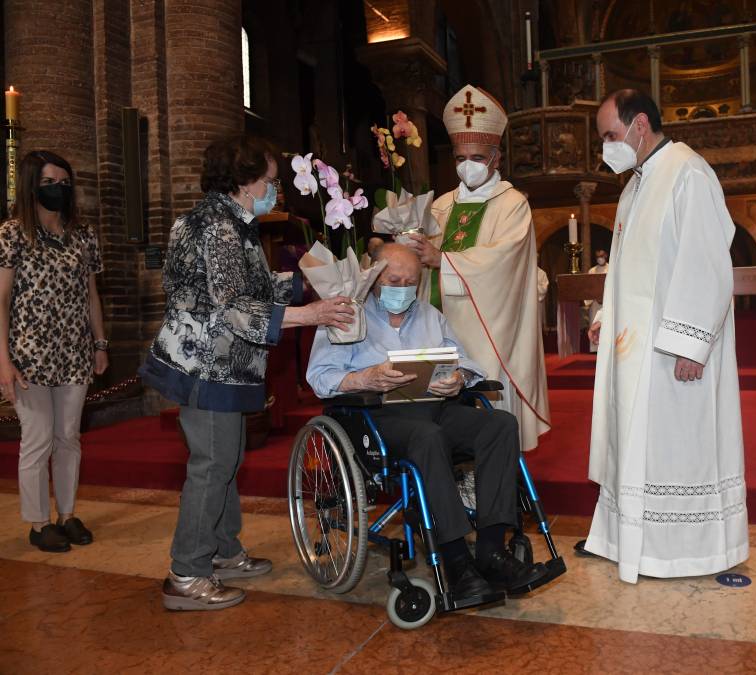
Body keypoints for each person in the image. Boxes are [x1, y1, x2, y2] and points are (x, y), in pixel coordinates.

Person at [140, 136, 355, 611]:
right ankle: (187, 573)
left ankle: (222, 550)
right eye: (271, 181)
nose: (275, 191)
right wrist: (311, 314)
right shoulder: (216, 227)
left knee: (228, 459)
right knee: (212, 465)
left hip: (225, 363)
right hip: (207, 363)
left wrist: (312, 281)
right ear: (244, 181)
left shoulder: (231, 221)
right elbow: (234, 308)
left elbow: (253, 285)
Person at [307, 243, 549, 601]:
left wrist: (459, 378)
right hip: (376, 418)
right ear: (373, 277)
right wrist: (364, 378)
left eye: (411, 282)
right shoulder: (346, 314)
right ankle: (456, 561)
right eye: (394, 281)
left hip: (434, 409)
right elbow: (319, 377)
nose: (403, 289)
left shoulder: (429, 315)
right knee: (428, 436)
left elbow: (467, 362)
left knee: (500, 425)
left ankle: (492, 551)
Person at [583, 90, 748, 584]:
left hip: (670, 351)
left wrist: (690, 344)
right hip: (632, 349)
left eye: (610, 135)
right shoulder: (634, 185)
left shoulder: (687, 172)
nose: (606, 147)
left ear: (639, 125)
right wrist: (607, 314)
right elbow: (625, 267)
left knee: (675, 449)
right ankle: (627, 541)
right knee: (634, 446)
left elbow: (706, 263)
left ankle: (681, 552)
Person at [407, 84, 550, 453]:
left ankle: (496, 470)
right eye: (459, 157)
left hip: (492, 328)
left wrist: (443, 260)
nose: (466, 165)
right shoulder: (440, 205)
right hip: (440, 320)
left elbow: (505, 262)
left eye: (476, 157)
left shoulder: (512, 204)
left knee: (489, 413)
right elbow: (422, 258)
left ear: (495, 158)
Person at [0, 150, 108, 553]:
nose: (58, 189)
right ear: (32, 185)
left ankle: (67, 514)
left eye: (64, 182)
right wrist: (3, 361)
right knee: (38, 439)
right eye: (49, 183)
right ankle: (38, 522)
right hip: (28, 354)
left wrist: (100, 343)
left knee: (68, 437)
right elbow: (2, 299)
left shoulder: (83, 234)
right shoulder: (12, 233)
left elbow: (91, 294)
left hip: (75, 352)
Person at [585, 250, 609, 353]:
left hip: (607, 302)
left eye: (602, 256)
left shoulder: (610, 269)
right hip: (595, 303)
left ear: (606, 256)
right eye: (598, 256)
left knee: (606, 324)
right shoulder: (592, 271)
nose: (600, 258)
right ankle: (595, 348)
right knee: (595, 323)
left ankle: (606, 346)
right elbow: (588, 287)